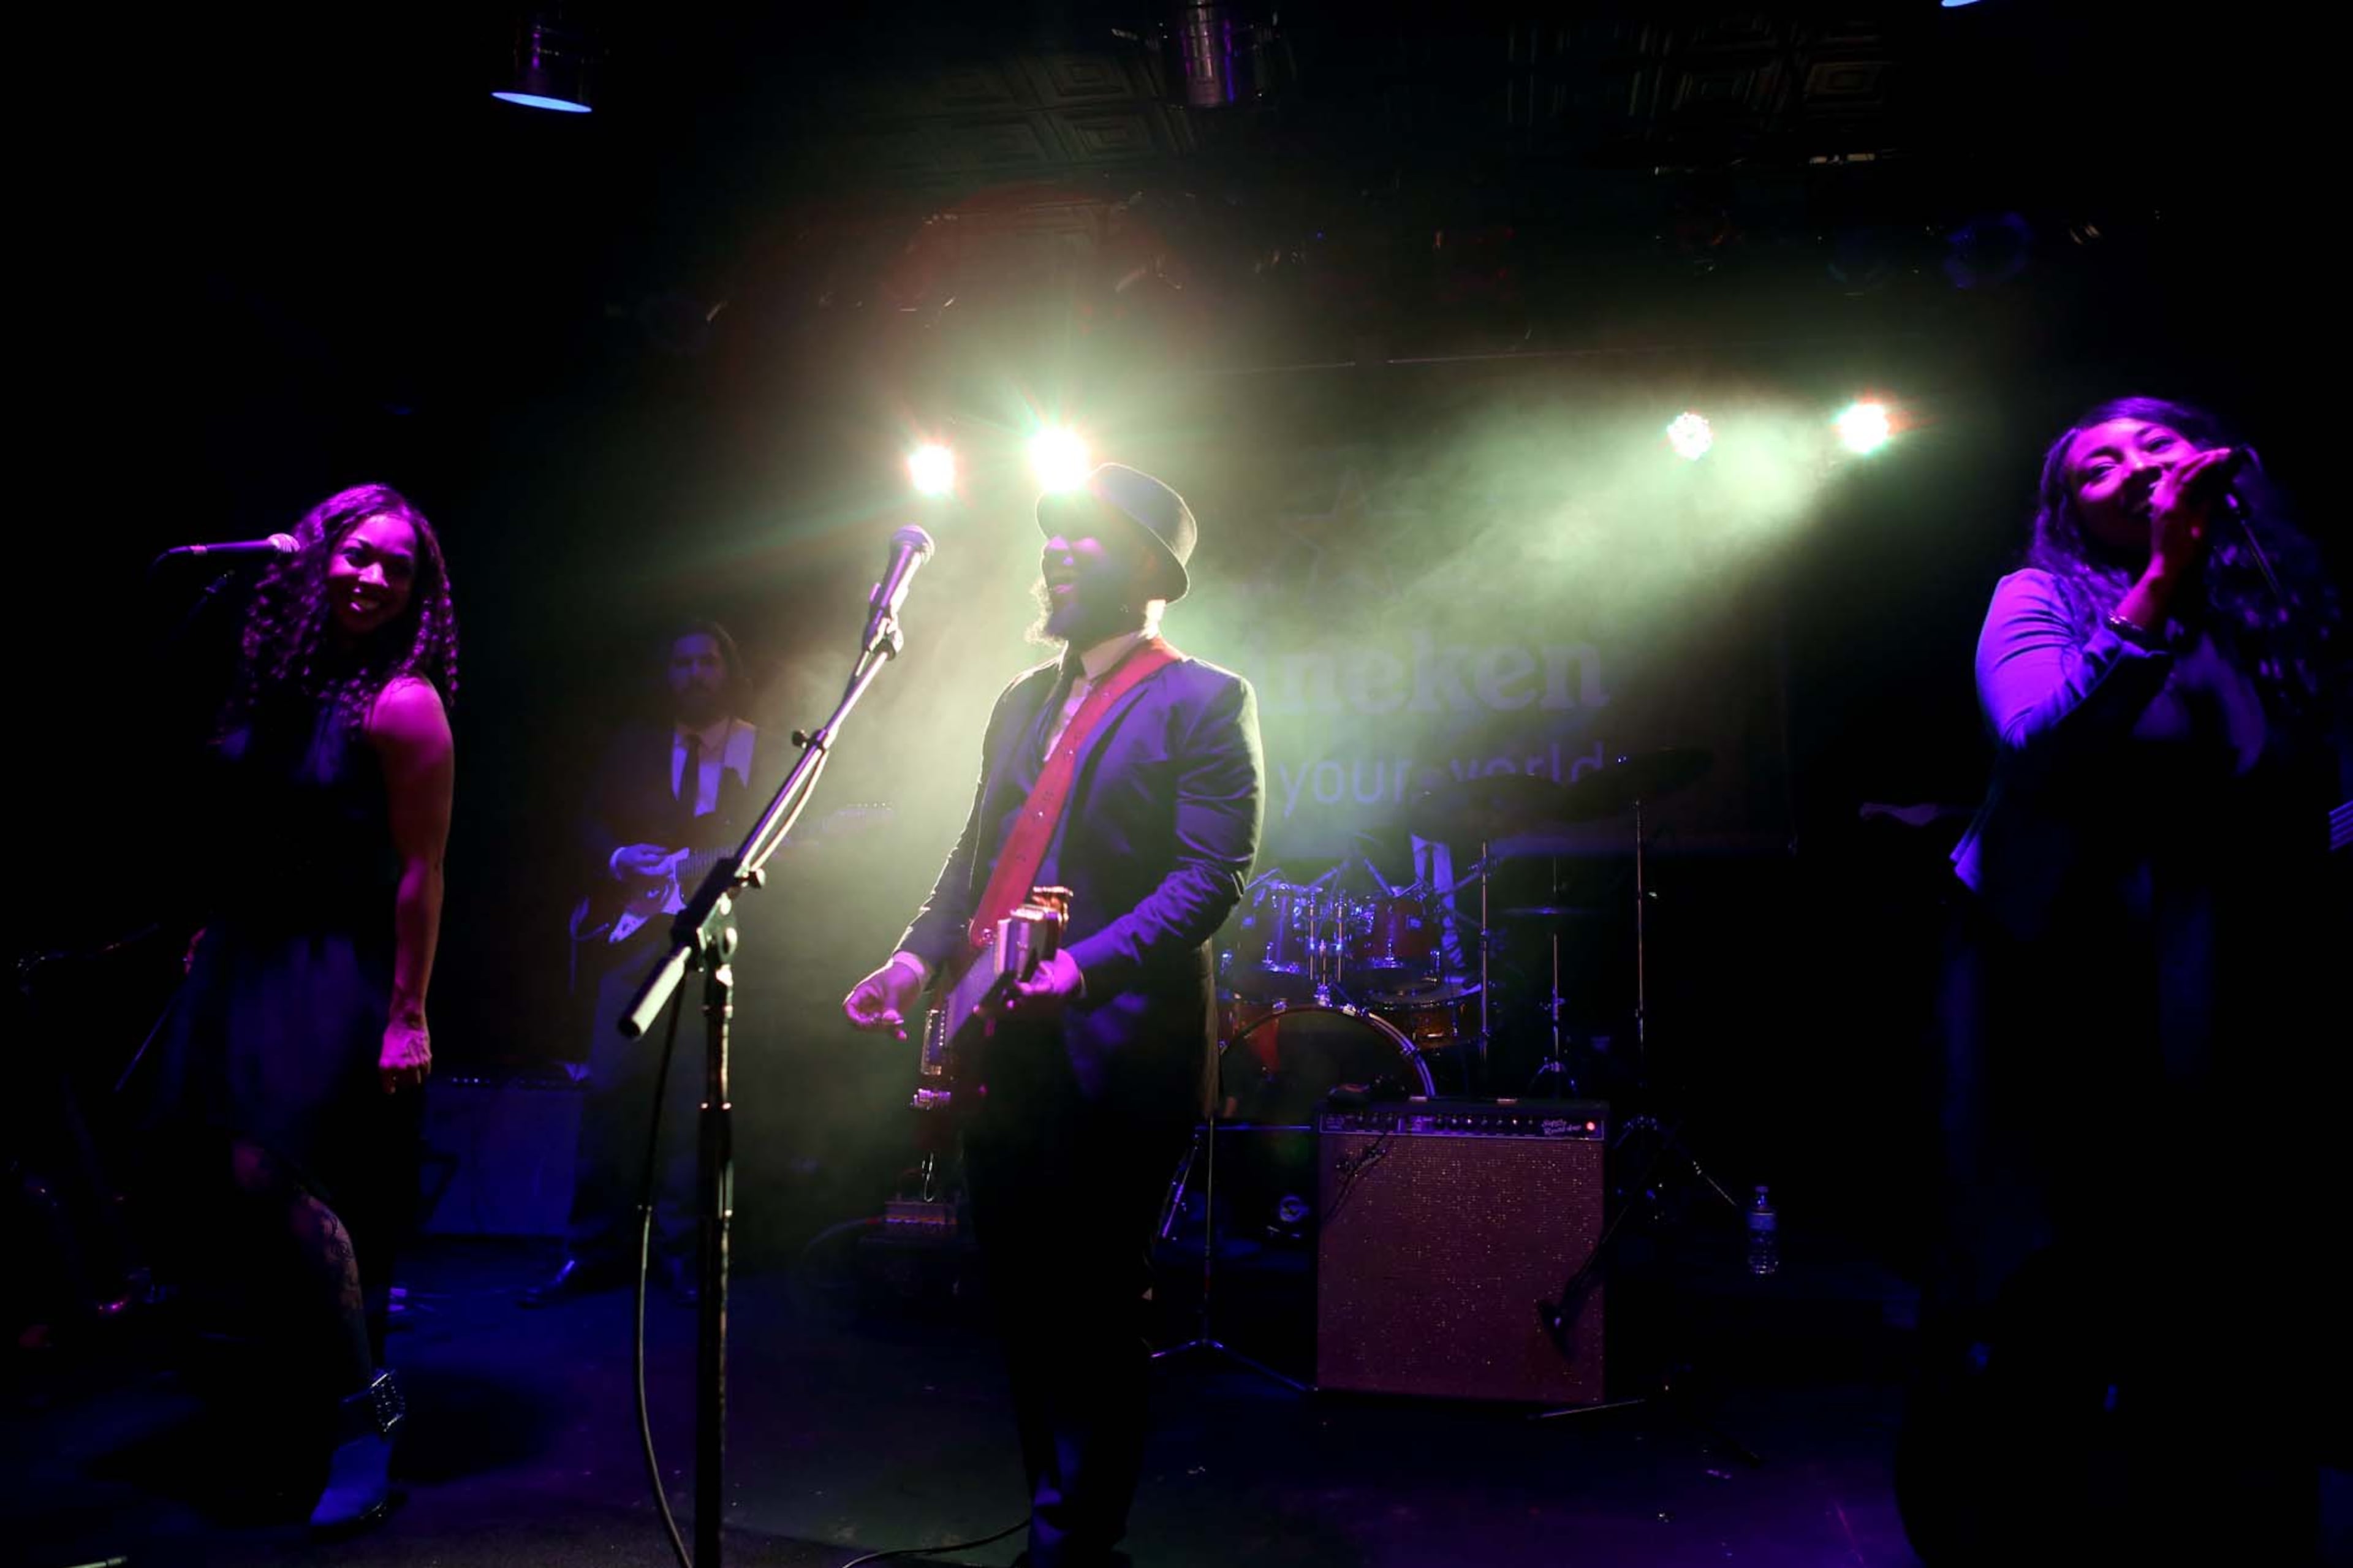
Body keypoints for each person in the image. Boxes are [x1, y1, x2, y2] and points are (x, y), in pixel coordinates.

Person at [1901, 399, 2347, 1562]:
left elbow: (2297, 802)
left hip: (2207, 958)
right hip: (2051, 958)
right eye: (2101, 465)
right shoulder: (2037, 597)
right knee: (2051, 1258)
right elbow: (2041, 742)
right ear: (2072, 512)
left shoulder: (2273, 614)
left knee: (2203, 1260)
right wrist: (2160, 576)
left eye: (2155, 445)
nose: (2138, 466)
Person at [843, 464, 1264, 1568]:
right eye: (1055, 535)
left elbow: (1210, 876)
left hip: (1116, 1048)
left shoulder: (1205, 697)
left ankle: (1076, 1537)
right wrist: (910, 957)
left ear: (1149, 574)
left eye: (1090, 537)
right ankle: (1055, 1512)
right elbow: (970, 857)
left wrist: (1081, 967)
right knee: (1026, 1292)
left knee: (1093, 1296)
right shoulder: (1019, 701)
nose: (1059, 551)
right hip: (1002, 1042)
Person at [139, 483, 458, 1532]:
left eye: (395, 566)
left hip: (339, 961)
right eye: (356, 554)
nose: (370, 576)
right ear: (317, 554)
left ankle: (371, 1426)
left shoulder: (405, 703)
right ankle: (292, 1417)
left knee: (280, 1177)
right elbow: (242, 820)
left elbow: (422, 869)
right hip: (247, 951)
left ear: (418, 590)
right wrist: (213, 921)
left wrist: (408, 1008)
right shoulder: (271, 682)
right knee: (225, 1186)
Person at [525, 621, 762, 1309]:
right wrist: (616, 857)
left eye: (708, 661)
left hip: (713, 940)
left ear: (728, 668)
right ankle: (593, 1252)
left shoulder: (759, 745)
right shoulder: (636, 744)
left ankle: (687, 1257)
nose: (694, 674)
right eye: (682, 663)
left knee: (697, 1101)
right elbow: (587, 820)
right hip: (633, 937)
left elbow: (763, 839)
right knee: (608, 1096)